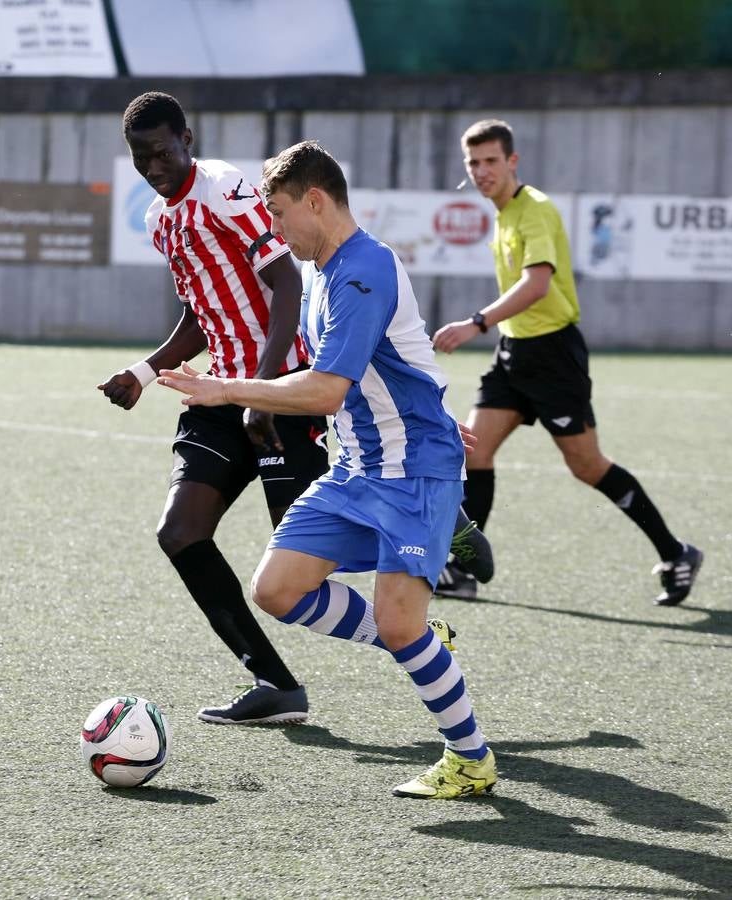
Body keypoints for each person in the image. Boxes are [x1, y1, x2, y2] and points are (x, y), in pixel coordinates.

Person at [158, 140, 497, 799]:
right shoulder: (318, 269)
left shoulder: (361, 270)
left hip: (413, 469)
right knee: (278, 589)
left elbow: (326, 389)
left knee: (399, 624)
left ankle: (471, 760)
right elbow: (389, 360)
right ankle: (427, 640)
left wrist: (230, 389)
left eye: (279, 213)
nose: (275, 229)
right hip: (359, 464)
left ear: (316, 200)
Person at [98, 92, 327, 725]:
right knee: (180, 533)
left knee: (302, 572)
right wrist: (144, 372)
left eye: (164, 152)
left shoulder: (225, 187)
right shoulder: (157, 221)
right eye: (142, 158)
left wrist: (264, 389)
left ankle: (436, 534)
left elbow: (286, 282)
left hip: (278, 390)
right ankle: (274, 683)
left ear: (188, 139)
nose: (154, 166)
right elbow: (205, 312)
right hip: (217, 395)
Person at [431, 119, 702, 607]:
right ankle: (463, 569)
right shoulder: (503, 212)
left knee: (587, 465)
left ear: (512, 161)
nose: (481, 170)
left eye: (491, 160)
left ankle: (676, 552)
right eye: (474, 162)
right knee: (473, 451)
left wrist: (476, 322)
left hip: (553, 356)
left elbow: (537, 285)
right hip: (513, 354)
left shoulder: (534, 210)